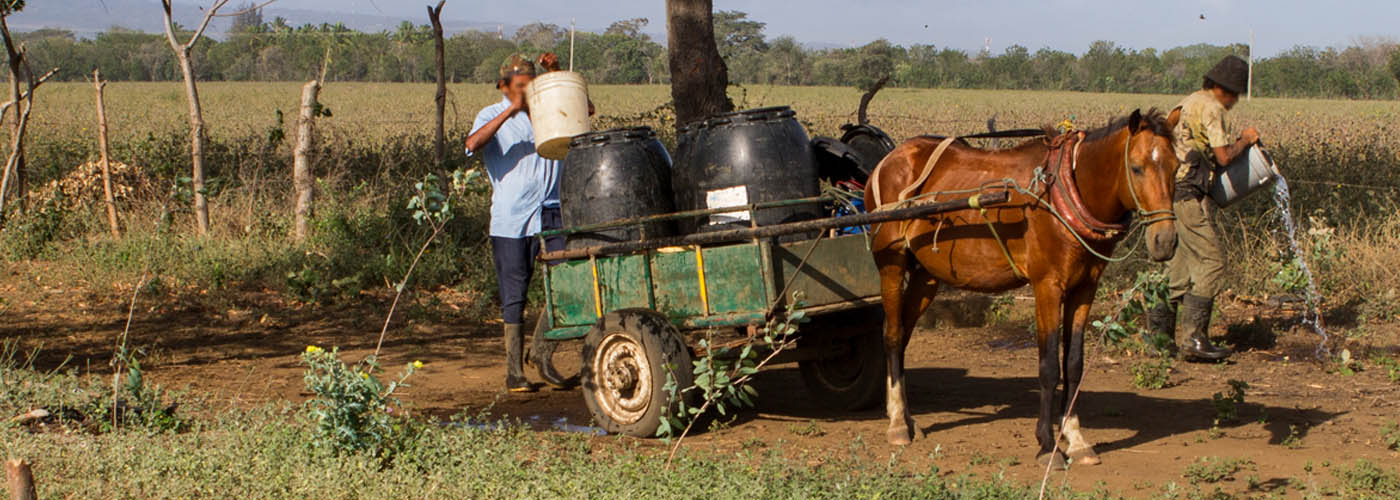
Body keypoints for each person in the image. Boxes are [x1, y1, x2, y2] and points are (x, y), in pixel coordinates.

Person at [464, 53, 567, 392]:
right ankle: (514, 371)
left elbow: (587, 110)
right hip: (512, 216)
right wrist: (511, 111)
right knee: (515, 295)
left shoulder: (547, 109)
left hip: (552, 209)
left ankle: (541, 353)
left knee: (566, 282)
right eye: (519, 87)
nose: (525, 92)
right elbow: (472, 144)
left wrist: (556, 75)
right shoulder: (492, 114)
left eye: (530, 86)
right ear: (504, 86)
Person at [1150, 55, 1260, 361]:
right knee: (1212, 262)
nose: (1235, 101)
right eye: (1235, 94)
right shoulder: (1212, 107)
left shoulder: (1187, 102)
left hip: (1171, 191)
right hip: (1188, 193)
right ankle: (1194, 340)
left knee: (1178, 266)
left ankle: (1159, 339)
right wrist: (1246, 140)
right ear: (1224, 89)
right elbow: (1224, 157)